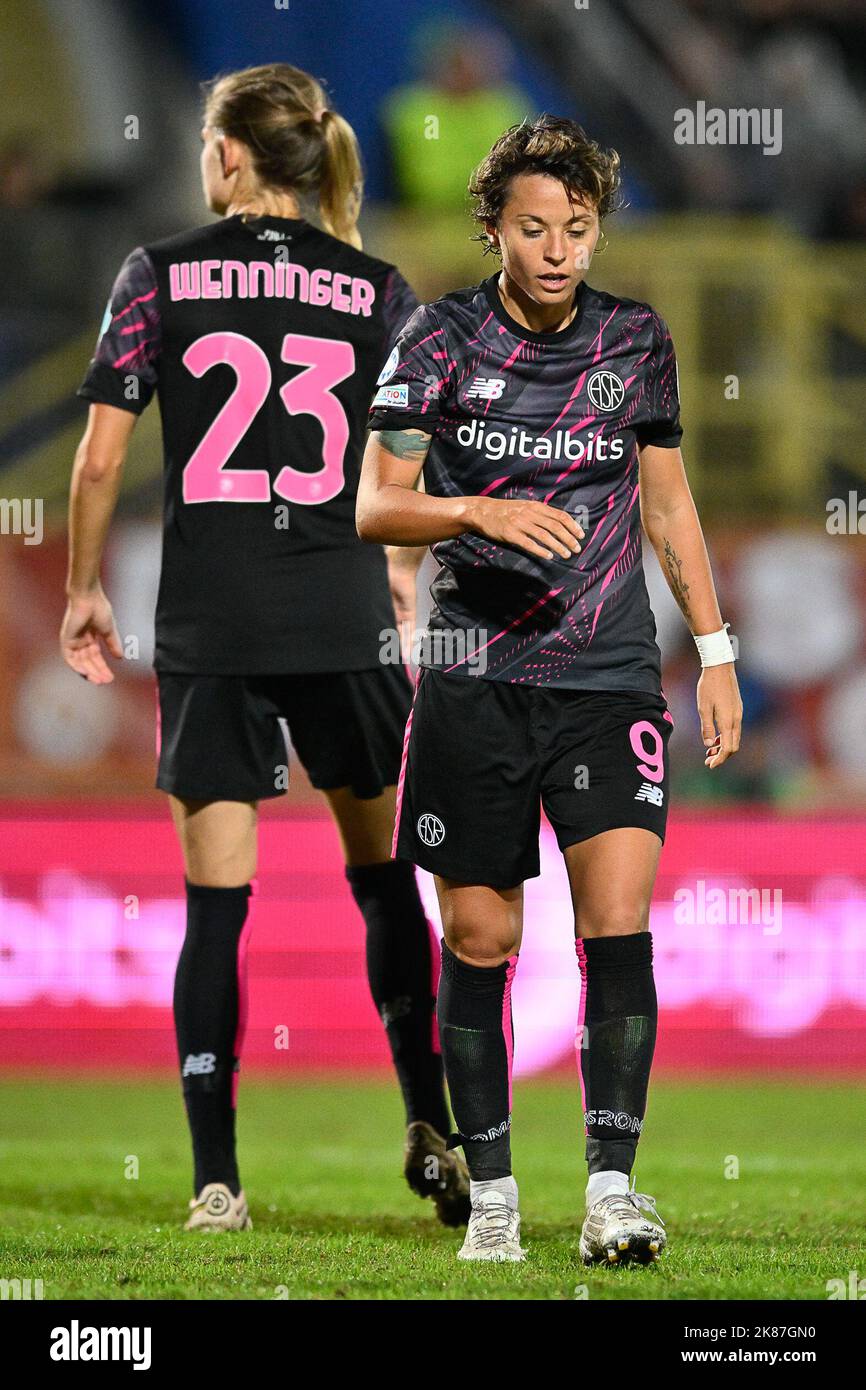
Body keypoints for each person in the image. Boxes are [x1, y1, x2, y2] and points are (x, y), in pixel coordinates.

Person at [60, 63, 468, 1233]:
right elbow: (414, 456)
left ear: (229, 156)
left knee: (214, 912)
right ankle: (428, 1117)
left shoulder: (159, 272)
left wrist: (85, 587)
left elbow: (95, 461)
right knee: (387, 885)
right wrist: (398, 567)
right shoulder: (378, 290)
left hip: (215, 626)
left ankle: (215, 1182)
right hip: (339, 619)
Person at [359, 114, 742, 1265]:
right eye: (533, 227)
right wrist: (474, 511)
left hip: (606, 673)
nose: (558, 246)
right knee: (478, 940)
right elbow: (373, 507)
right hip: (475, 677)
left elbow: (666, 507)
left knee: (615, 923)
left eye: (575, 227)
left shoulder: (635, 342)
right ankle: (492, 1200)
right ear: (492, 230)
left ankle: (613, 1190)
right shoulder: (436, 339)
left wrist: (715, 652)